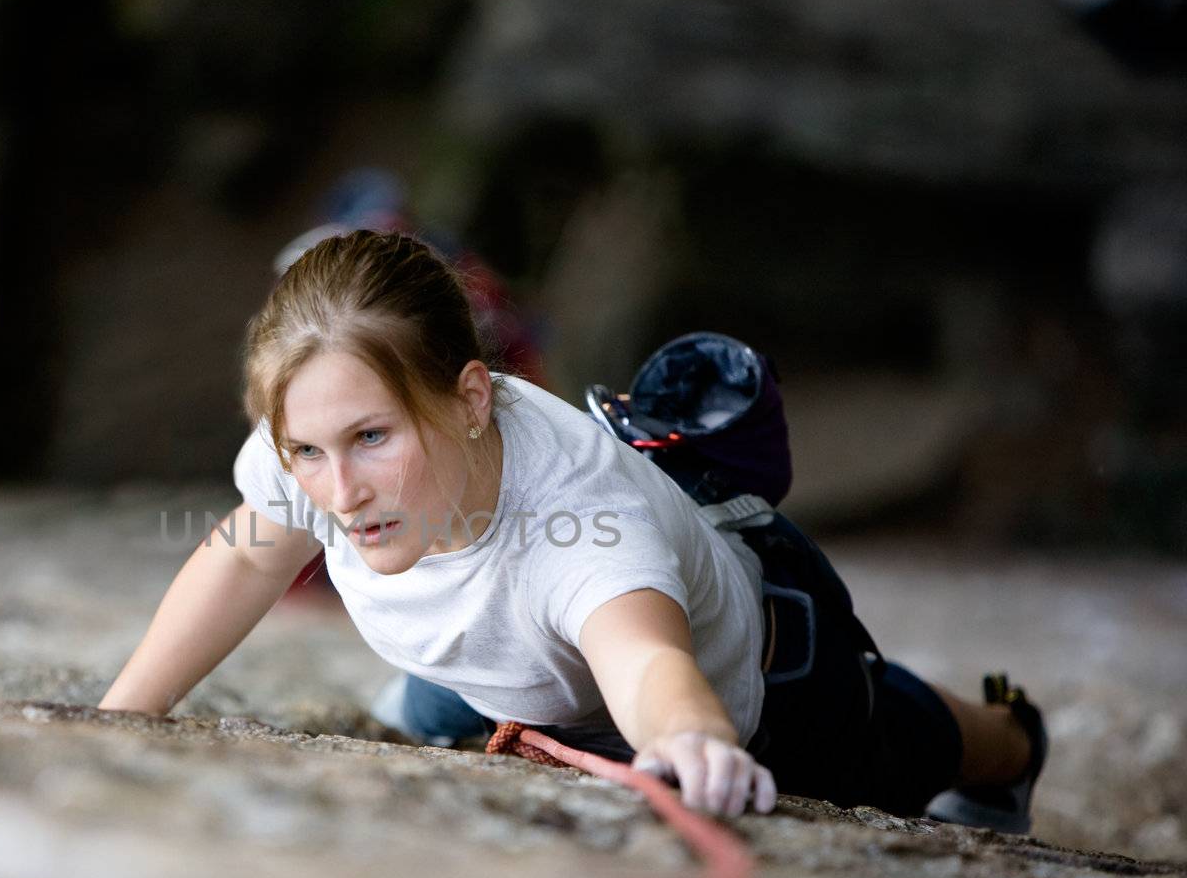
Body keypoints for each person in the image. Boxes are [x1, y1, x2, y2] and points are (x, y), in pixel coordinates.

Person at [99, 229, 1047, 829]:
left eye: (371, 438)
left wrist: (688, 737)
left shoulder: (579, 522)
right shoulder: (315, 434)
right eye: (307, 451)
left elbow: (640, 656)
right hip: (520, 668)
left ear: (473, 397)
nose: (338, 491)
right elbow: (241, 562)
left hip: (771, 672)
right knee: (449, 687)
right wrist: (119, 717)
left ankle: (1010, 732)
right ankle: (449, 692)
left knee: (905, 740)